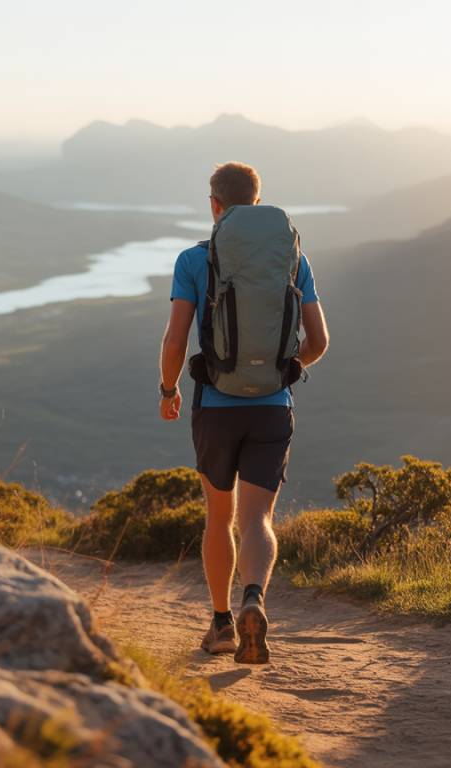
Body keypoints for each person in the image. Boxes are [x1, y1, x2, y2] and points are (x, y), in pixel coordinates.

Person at [158, 161, 330, 664]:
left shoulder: (194, 260)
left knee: (220, 516)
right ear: (257, 203)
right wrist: (282, 369)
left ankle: (221, 625)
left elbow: (175, 339)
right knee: (257, 519)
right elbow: (319, 341)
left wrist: (168, 388)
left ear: (215, 205)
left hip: (216, 406)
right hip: (273, 409)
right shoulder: (293, 261)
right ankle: (253, 598)